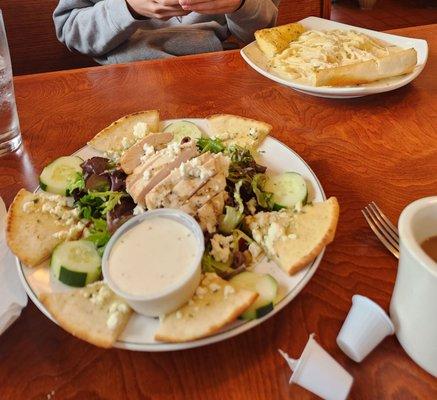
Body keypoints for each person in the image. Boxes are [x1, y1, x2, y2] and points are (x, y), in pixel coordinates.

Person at [53, 0, 278, 65]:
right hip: (122, 77)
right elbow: (70, 30)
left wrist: (240, 5)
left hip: (217, 69)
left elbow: (263, 37)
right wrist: (128, 7)